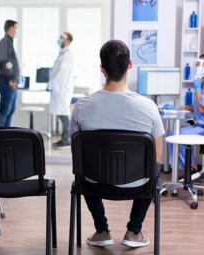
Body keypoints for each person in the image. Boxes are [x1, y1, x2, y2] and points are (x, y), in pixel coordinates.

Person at [69, 40, 164, 248]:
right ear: (130, 65)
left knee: (81, 169)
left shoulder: (81, 106)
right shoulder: (149, 107)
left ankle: (101, 230)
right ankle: (134, 231)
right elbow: (156, 157)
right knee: (154, 168)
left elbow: (76, 155)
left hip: (94, 184)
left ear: (102, 68)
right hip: (137, 186)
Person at [48, 32, 75, 148]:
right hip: (59, 88)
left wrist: (51, 84)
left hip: (62, 88)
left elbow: (61, 73)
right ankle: (65, 138)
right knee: (61, 113)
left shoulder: (67, 55)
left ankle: (67, 139)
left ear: (68, 41)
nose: (60, 40)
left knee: (64, 113)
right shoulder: (63, 54)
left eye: (62, 38)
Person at [0, 20, 20, 127]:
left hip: (10, 80)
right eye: (16, 28)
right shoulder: (5, 42)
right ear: (11, 29)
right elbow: (5, 63)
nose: (16, 31)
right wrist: (12, 79)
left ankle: (6, 134)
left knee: (10, 110)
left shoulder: (9, 42)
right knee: (5, 110)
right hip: (7, 80)